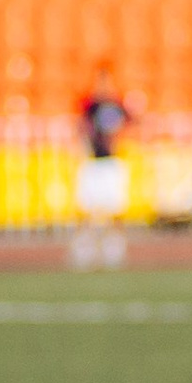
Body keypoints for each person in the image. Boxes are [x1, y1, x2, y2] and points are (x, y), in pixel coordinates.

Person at [71, 65, 132, 269]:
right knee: (86, 209)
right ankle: (84, 248)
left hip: (111, 163)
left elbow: (129, 124)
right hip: (92, 163)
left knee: (115, 208)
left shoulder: (117, 104)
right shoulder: (89, 105)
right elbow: (80, 126)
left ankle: (114, 248)